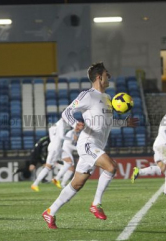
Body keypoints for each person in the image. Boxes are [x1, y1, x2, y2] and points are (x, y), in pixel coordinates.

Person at [41, 62, 138, 229]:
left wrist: (124, 123)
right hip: (87, 144)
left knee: (77, 184)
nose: (110, 76)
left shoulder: (108, 98)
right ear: (99, 77)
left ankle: (50, 212)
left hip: (97, 146)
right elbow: (67, 112)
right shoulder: (88, 95)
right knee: (111, 167)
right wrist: (74, 124)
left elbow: (106, 123)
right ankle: (96, 204)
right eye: (107, 74)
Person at [131, 98, 166, 195]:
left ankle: (139, 172)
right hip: (163, 144)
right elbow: (163, 132)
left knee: (162, 168)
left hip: (159, 144)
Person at [31, 118, 82, 192]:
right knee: (48, 167)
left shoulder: (53, 125)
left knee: (69, 162)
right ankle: (35, 184)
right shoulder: (61, 124)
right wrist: (72, 138)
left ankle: (56, 178)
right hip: (55, 148)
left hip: (57, 147)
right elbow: (61, 136)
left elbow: (52, 136)